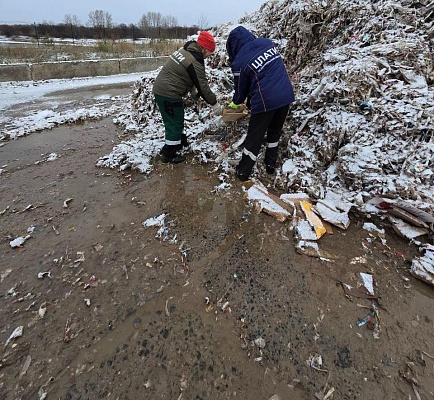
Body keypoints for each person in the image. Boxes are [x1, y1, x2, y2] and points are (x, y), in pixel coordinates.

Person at [226, 26, 295, 181]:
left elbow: (240, 92)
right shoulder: (267, 43)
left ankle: (243, 171)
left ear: (233, 46)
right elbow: (263, 77)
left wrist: (235, 103)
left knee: (254, 137)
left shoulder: (239, 62)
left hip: (266, 101)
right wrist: (251, 101)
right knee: (274, 131)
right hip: (285, 96)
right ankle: (270, 164)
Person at [153, 31, 222, 164]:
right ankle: (169, 154)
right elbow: (203, 85)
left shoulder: (185, 51)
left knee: (175, 119)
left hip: (162, 90)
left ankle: (178, 142)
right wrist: (215, 104)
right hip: (169, 93)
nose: (209, 56)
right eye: (209, 52)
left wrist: (193, 92)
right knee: (174, 122)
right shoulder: (194, 60)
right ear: (203, 48)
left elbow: (186, 76)